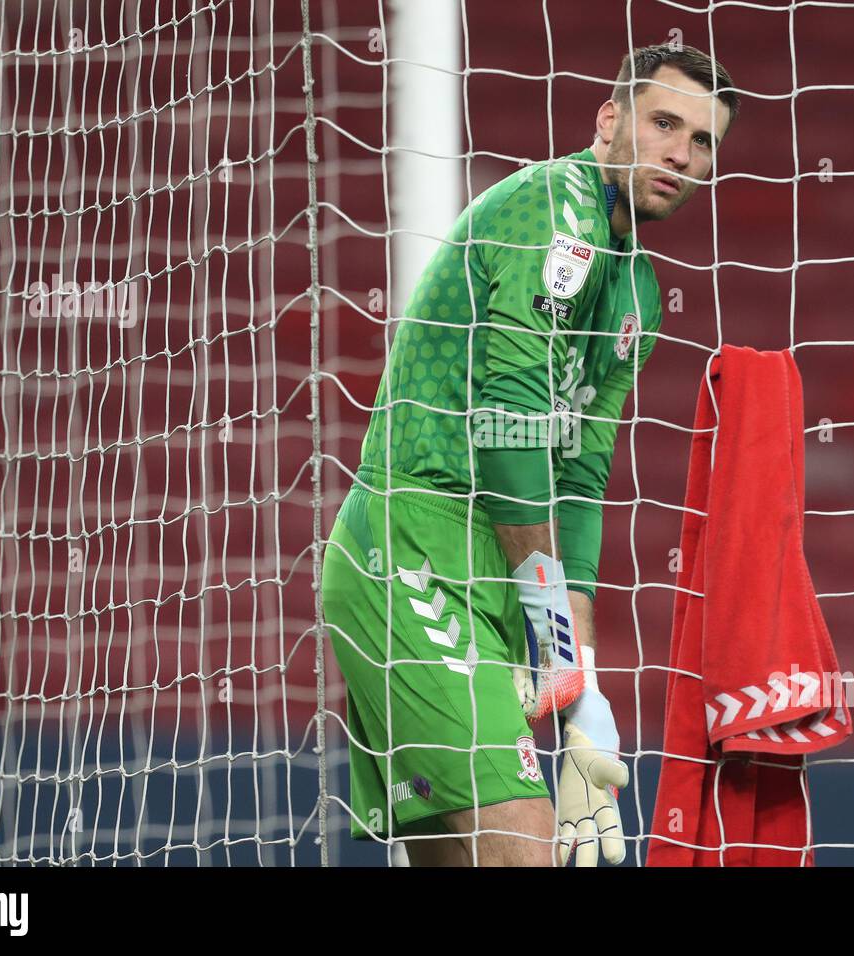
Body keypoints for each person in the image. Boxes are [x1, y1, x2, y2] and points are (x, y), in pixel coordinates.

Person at [322, 42, 738, 866]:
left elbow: (581, 479)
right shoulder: (555, 206)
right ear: (609, 119)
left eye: (702, 142)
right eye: (663, 123)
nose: (679, 155)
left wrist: (580, 676)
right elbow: (509, 424)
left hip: (492, 578)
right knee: (526, 854)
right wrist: (550, 630)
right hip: (411, 552)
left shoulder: (639, 294)